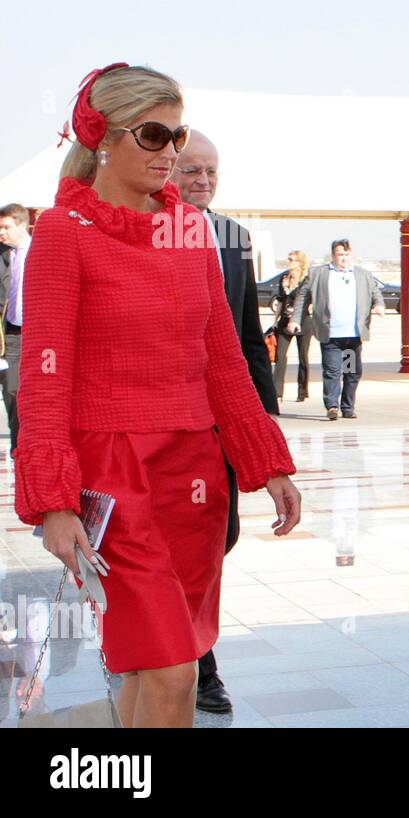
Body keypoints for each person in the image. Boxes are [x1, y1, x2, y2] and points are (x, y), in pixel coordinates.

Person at [16, 63, 301, 728]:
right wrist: (55, 502)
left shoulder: (192, 232)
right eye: (154, 135)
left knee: (156, 665)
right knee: (175, 672)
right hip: (115, 476)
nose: (171, 152)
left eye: (177, 136)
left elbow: (222, 359)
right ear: (103, 137)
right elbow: (45, 374)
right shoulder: (64, 234)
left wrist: (268, 463)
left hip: (193, 475)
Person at [172, 129, 279, 714]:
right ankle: (196, 665)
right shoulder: (140, 233)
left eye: (211, 171)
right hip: (166, 420)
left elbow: (247, 335)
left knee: (223, 534)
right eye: (191, 170)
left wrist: (264, 417)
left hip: (223, 417)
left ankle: (181, 647)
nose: (203, 182)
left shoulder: (232, 237)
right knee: (179, 544)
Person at [288, 239, 383, 420]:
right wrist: (295, 319)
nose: (344, 258)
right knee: (332, 371)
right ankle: (332, 406)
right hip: (331, 334)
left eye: (347, 255)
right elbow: (302, 296)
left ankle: (347, 407)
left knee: (351, 372)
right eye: (340, 255)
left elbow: (375, 293)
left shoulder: (362, 275)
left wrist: (379, 305)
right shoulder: (319, 274)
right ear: (333, 256)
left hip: (352, 336)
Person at [0, 203, 31, 456]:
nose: (2, 232)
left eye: (6, 227)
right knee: (12, 390)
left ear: (23, 225)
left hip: (37, 333)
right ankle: (17, 448)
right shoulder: (2, 254)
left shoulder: (41, 250)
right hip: (9, 334)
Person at [271, 250, 313, 402]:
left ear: (300, 263)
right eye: (288, 259)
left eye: (291, 259)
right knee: (280, 356)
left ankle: (302, 391)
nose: (288, 261)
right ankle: (277, 392)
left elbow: (312, 299)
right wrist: (274, 322)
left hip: (303, 322)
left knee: (303, 357)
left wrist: (312, 307)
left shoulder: (307, 280)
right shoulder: (284, 278)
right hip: (284, 322)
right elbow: (281, 301)